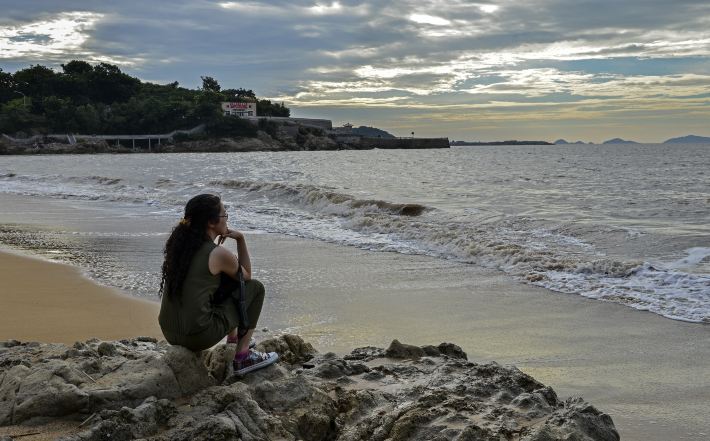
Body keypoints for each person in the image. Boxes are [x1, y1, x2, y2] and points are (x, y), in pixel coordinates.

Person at [158, 193, 278, 375]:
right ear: (211, 222)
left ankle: (233, 337)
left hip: (169, 332)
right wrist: (241, 239)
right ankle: (243, 357)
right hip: (197, 337)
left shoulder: (179, 249)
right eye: (224, 215)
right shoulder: (217, 254)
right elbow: (246, 277)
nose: (227, 219)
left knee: (222, 282)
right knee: (256, 288)